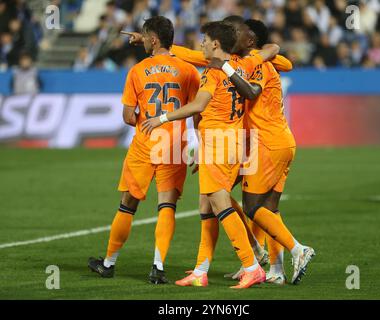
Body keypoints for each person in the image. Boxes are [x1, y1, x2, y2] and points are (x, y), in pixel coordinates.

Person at [141, 21, 280, 289]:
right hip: (234, 141)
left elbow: (199, 104)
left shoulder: (212, 73)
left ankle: (252, 265)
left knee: (220, 205)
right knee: (206, 207)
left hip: (219, 142)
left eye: (204, 40)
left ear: (216, 44)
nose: (201, 44)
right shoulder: (244, 65)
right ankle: (201, 270)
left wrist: (163, 117)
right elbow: (270, 50)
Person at [88, 16, 200, 284]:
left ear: (153, 39)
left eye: (145, 36)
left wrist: (145, 117)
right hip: (174, 144)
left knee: (128, 205)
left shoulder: (137, 70)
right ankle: (158, 267)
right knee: (167, 206)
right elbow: (196, 111)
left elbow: (128, 117)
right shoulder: (189, 71)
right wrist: (201, 144)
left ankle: (108, 263)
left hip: (144, 143)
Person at [213, 19, 315, 285]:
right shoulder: (251, 61)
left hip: (269, 143)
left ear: (250, 40)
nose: (233, 35)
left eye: (239, 32)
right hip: (279, 141)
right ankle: (277, 271)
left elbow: (251, 92)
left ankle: (298, 249)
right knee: (270, 209)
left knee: (252, 206)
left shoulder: (260, 65)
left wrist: (224, 66)